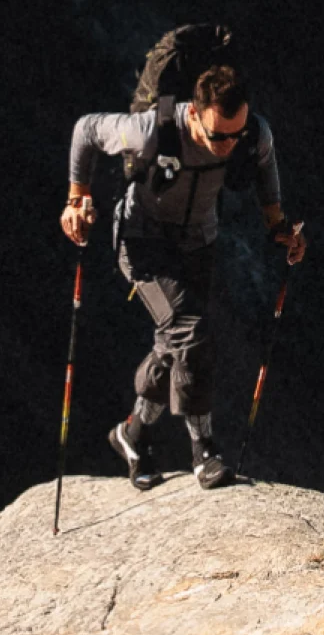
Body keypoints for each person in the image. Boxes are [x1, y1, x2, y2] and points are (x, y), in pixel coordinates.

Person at [61, 51, 305, 490]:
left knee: (173, 343)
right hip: (142, 244)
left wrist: (279, 226)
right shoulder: (153, 128)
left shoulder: (252, 133)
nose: (229, 145)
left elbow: (265, 166)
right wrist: (77, 199)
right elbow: (86, 130)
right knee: (192, 333)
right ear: (194, 113)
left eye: (235, 135)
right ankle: (204, 449)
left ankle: (132, 434)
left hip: (198, 244)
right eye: (218, 136)